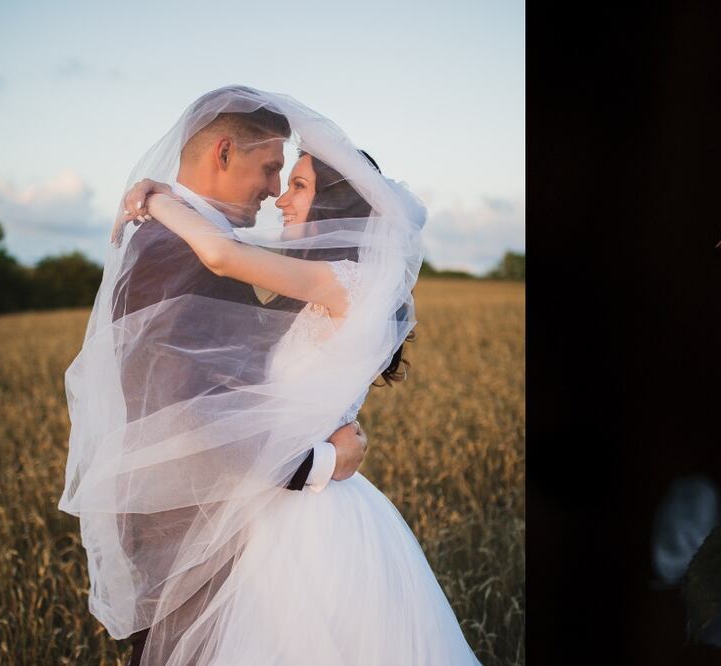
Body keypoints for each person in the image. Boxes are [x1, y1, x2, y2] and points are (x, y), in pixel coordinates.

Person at [59, 85, 481, 665]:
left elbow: (222, 257)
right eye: (274, 170)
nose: (279, 193)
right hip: (274, 499)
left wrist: (155, 197)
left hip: (301, 515)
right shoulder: (236, 264)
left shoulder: (336, 282)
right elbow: (194, 394)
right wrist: (325, 459)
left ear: (335, 208)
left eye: (297, 183)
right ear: (225, 152)